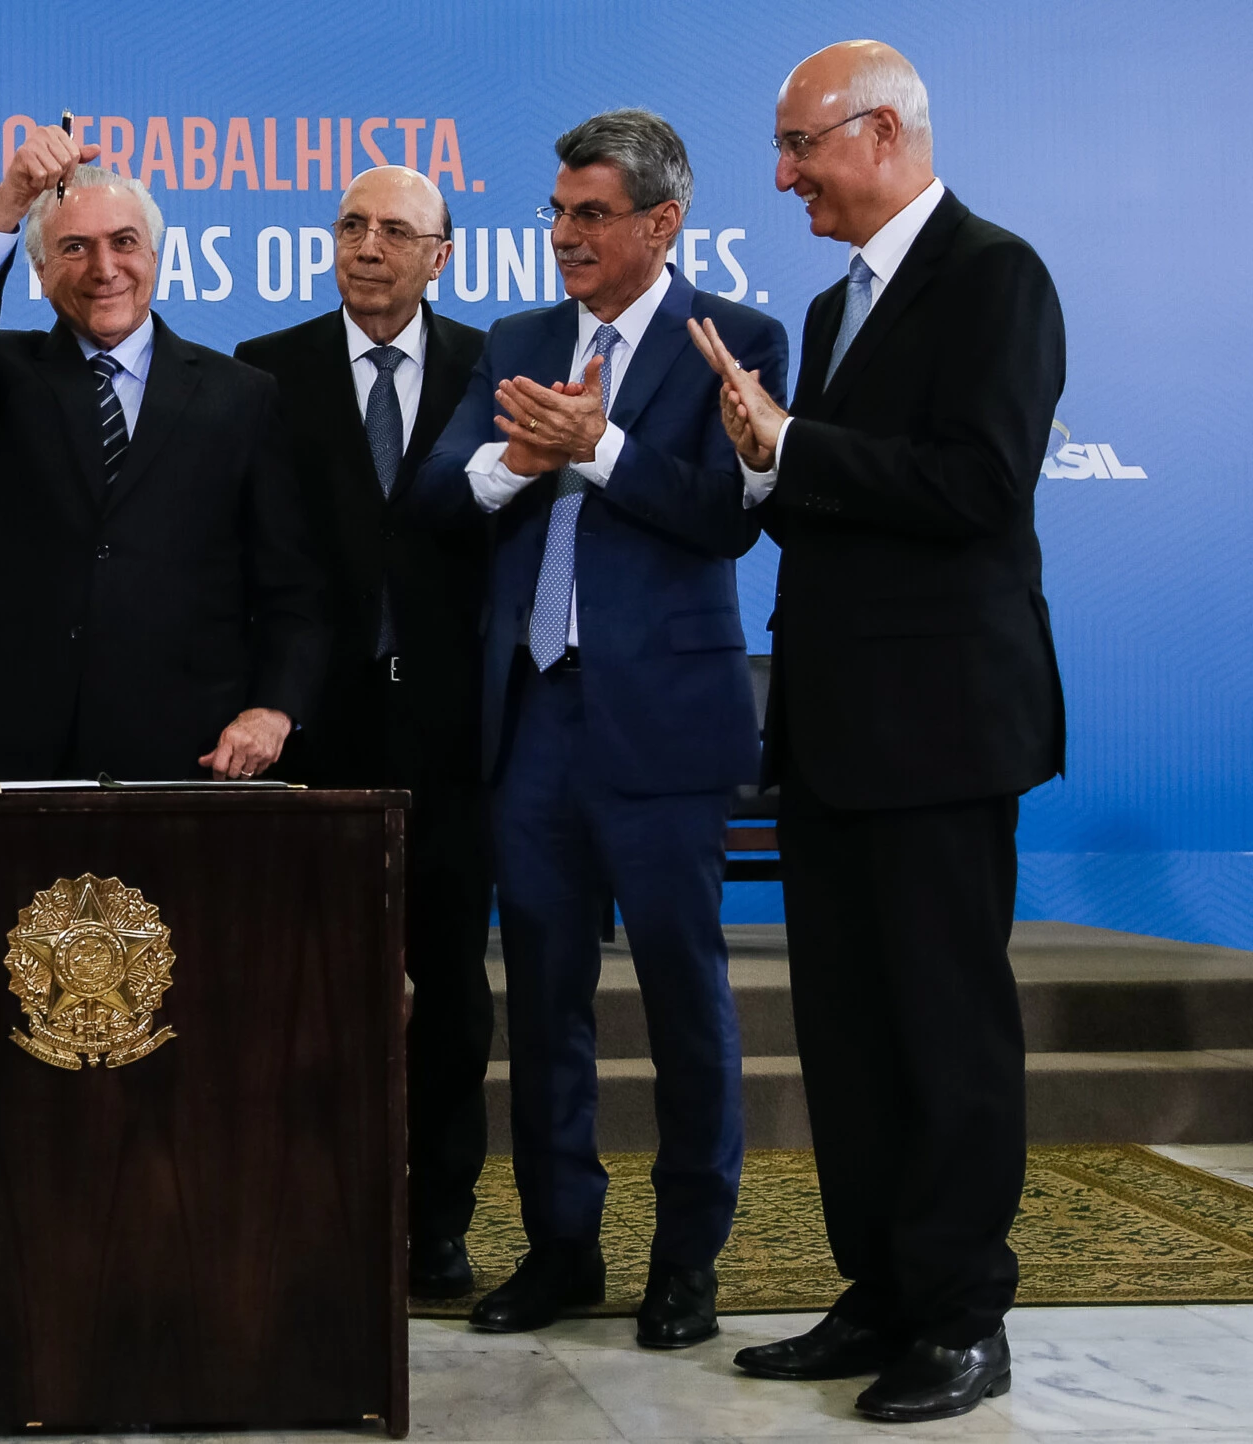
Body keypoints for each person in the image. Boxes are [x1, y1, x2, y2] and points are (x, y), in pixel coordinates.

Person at [691, 40, 1064, 1424]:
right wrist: (763, 459)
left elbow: (977, 485)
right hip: (837, 731)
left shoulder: (997, 277)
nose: (783, 176)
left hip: (947, 733)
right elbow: (834, 505)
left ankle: (964, 1317)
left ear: (885, 134)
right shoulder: (835, 305)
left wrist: (799, 444)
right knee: (848, 1036)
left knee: (945, 1036)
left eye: (801, 147)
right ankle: (883, 1292)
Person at [417, 110, 786, 1349]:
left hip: (666, 724)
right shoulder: (518, 342)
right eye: (556, 213)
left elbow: (724, 520)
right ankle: (561, 1247)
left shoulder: (738, 338)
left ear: (660, 222)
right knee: (543, 1002)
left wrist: (605, 444)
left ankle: (686, 1260)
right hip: (533, 720)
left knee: (685, 999)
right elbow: (443, 490)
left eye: (590, 215)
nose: (565, 236)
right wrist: (523, 459)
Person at [233, 166, 494, 1300]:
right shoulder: (263, 372)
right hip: (310, 726)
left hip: (453, 725)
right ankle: (305, 1204)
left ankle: (436, 1219)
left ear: (441, 255)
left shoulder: (496, 365)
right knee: (304, 984)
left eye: (396, 231)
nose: (368, 247)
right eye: (351, 225)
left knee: (447, 981)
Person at [0, 127, 328, 781]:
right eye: (75, 248)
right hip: (6, 742)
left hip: (186, 748)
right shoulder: (2, 375)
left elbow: (291, 586)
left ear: (155, 256)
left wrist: (274, 708)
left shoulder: (241, 395)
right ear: (42, 272)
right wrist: (9, 204)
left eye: (124, 243)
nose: (104, 269)